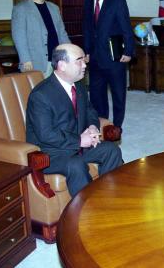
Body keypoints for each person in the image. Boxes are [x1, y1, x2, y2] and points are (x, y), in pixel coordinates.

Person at [26, 43, 123, 197]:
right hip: (51, 153)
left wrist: (92, 126)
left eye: (84, 60)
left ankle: (110, 198)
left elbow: (90, 110)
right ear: (62, 65)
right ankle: (86, 214)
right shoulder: (41, 95)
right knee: (76, 164)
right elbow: (45, 134)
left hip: (78, 147)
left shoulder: (78, 84)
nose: (85, 65)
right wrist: (79, 141)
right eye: (79, 61)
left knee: (111, 150)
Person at [82, 0, 135, 131]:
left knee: (119, 94)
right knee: (97, 95)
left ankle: (117, 126)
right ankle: (102, 125)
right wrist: (87, 51)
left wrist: (128, 51)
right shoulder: (88, 1)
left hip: (115, 57)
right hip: (95, 58)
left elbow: (126, 27)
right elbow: (87, 30)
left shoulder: (117, 0)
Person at [12, 0, 70, 77]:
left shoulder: (54, 8)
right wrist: (25, 59)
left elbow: (62, 33)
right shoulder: (21, 8)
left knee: (58, 91)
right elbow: (19, 37)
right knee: (38, 91)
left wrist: (69, 52)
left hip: (58, 59)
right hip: (36, 60)